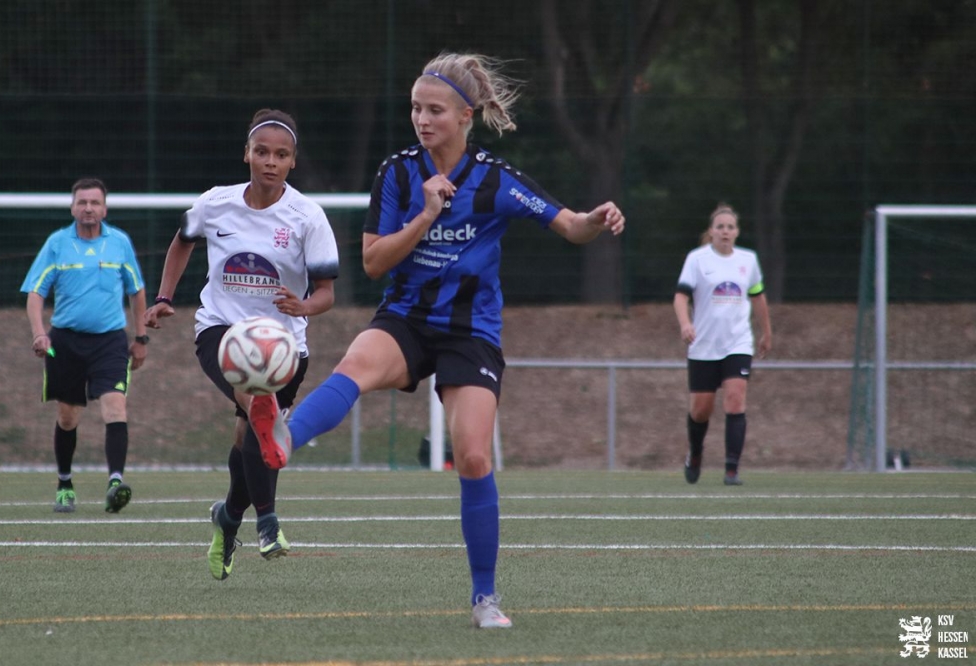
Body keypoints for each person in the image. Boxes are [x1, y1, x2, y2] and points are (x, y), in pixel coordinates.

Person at [246, 53, 625, 628]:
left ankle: (484, 599)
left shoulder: (496, 179)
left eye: (435, 110)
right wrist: (424, 216)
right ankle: (282, 437)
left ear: (466, 116)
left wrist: (596, 219)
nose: (422, 119)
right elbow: (373, 262)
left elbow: (571, 225)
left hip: (471, 332)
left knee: (472, 454)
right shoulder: (398, 173)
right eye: (416, 108)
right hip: (407, 319)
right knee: (355, 363)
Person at [143, 108, 339, 581]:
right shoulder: (215, 203)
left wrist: (303, 306)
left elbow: (327, 294)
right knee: (259, 409)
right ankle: (267, 523)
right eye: (262, 152)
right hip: (221, 330)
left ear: (293, 161)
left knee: (248, 438)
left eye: (281, 155)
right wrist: (165, 297)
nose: (271, 161)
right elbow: (182, 241)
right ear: (246, 154)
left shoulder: (308, 217)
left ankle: (229, 517)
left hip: (284, 346)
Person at [21, 177, 148, 514]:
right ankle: (65, 484)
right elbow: (35, 292)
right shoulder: (57, 243)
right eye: (82, 202)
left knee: (116, 408)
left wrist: (141, 338)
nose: (88, 208)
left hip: (110, 341)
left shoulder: (119, 242)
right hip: (65, 342)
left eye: (95, 203)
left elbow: (136, 291)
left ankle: (115, 484)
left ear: (104, 209)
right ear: (72, 207)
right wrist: (39, 333)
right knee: (67, 418)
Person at [673, 204, 772, 486]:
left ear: (736, 232)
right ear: (712, 231)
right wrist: (685, 324)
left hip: (738, 343)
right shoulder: (697, 259)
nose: (725, 231)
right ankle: (695, 454)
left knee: (735, 399)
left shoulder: (748, 260)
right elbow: (681, 297)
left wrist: (766, 333)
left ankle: (731, 469)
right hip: (704, 345)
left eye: (730, 227)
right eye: (720, 227)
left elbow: (758, 297)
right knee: (700, 411)